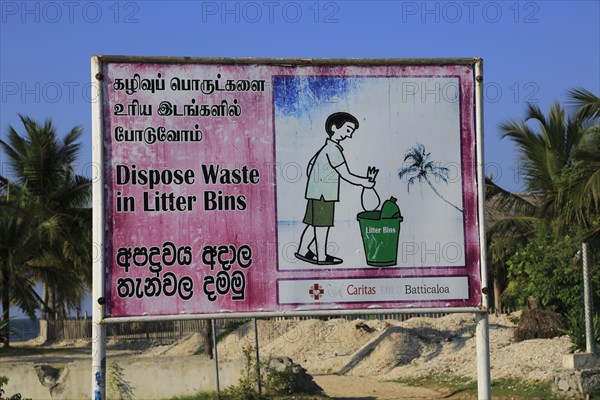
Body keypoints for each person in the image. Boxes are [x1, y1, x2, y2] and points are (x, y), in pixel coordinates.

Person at [295, 112, 377, 266]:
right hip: (325, 195)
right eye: (347, 130)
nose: (349, 135)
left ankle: (301, 251)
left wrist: (316, 182)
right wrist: (365, 183)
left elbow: (310, 167)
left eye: (351, 132)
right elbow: (346, 174)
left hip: (314, 193)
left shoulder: (325, 148)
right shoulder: (334, 150)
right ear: (334, 128)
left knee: (312, 223)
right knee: (322, 226)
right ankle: (321, 257)